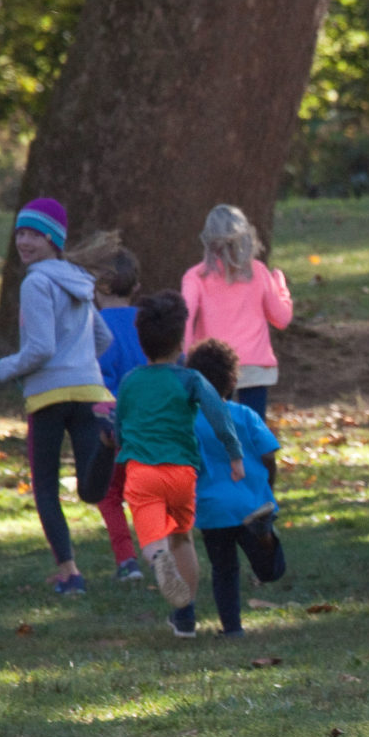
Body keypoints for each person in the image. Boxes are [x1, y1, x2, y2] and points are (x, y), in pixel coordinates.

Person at [0, 198, 115, 596]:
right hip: (89, 392)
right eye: (20, 232)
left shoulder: (36, 282)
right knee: (90, 489)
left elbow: (40, 349)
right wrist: (80, 363)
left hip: (49, 397)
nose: (24, 241)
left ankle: (70, 573)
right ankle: (109, 445)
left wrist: (1, 369)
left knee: (46, 488)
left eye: (34, 234)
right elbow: (104, 339)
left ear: (53, 239)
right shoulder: (78, 279)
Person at [116, 291, 245, 639]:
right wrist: (234, 453)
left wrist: (121, 452)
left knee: (152, 535)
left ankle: (156, 557)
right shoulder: (190, 380)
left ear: (142, 342)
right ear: (181, 340)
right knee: (182, 538)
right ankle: (185, 617)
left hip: (142, 470)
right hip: (181, 473)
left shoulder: (130, 382)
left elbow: (121, 425)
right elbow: (219, 414)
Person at [184, 337, 287, 637]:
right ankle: (265, 535)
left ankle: (232, 629)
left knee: (224, 569)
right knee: (270, 571)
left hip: (212, 508)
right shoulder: (245, 415)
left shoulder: (189, 423)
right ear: (232, 380)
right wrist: (268, 486)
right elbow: (268, 455)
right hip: (252, 504)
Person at [181, 204, 293, 415]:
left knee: (215, 432)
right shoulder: (257, 272)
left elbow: (185, 320)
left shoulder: (196, 277)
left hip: (213, 366)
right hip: (255, 365)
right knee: (252, 432)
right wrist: (281, 287)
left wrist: (187, 359)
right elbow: (281, 318)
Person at [92, 245, 149, 582]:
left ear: (98, 287)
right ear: (136, 288)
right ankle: (159, 550)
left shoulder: (95, 328)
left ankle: (127, 559)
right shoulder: (148, 324)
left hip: (113, 430)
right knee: (145, 493)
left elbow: (97, 381)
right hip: (151, 427)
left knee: (109, 495)